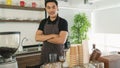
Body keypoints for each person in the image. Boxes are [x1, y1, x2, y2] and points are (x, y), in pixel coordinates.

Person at [35, 0, 68, 66]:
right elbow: (37, 37)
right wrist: (53, 35)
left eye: (53, 7)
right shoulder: (43, 22)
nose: (51, 10)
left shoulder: (63, 22)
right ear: (46, 9)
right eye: (48, 7)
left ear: (57, 8)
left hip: (59, 57)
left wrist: (44, 38)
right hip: (45, 56)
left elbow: (62, 40)